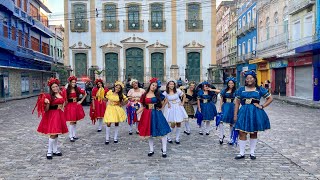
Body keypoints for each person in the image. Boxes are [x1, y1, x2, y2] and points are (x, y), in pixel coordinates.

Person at [234, 70, 273, 160]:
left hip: (255, 112)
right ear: (246, 80)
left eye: (251, 78)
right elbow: (237, 103)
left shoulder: (259, 89)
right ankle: (241, 153)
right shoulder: (241, 89)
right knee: (241, 132)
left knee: (253, 132)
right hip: (243, 112)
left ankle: (252, 152)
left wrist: (262, 106)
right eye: (247, 78)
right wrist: (235, 114)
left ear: (254, 79)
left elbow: (270, 98)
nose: (249, 80)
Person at [34, 78, 68, 159]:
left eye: (56, 86)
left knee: (57, 133)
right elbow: (46, 109)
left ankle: (55, 150)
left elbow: (64, 103)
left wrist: (63, 107)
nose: (55, 88)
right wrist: (46, 102)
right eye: (53, 87)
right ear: (51, 88)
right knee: (53, 133)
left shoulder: (61, 94)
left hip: (59, 114)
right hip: (53, 115)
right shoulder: (49, 96)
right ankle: (49, 151)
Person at [137, 78, 171, 158]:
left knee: (162, 130)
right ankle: (151, 150)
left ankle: (164, 150)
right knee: (150, 132)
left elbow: (166, 100)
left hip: (157, 113)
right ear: (150, 85)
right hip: (147, 114)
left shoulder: (158, 94)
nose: (154, 87)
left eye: (155, 86)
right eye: (153, 85)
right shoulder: (144, 95)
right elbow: (143, 106)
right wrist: (136, 113)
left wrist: (162, 107)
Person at [64, 76, 87, 142]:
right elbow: (64, 98)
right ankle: (70, 136)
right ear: (70, 82)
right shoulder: (67, 90)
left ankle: (74, 135)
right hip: (70, 106)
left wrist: (81, 101)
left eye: (74, 82)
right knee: (72, 121)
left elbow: (85, 94)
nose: (74, 83)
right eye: (72, 82)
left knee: (75, 121)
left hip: (76, 105)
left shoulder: (77, 89)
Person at [218, 77, 236, 145]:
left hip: (232, 107)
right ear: (227, 83)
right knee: (221, 121)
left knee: (232, 123)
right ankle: (221, 136)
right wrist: (219, 108)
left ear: (234, 84)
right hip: (225, 106)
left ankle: (230, 138)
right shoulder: (224, 91)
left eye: (232, 83)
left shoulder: (236, 91)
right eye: (229, 83)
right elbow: (221, 100)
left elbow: (237, 101)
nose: (230, 84)